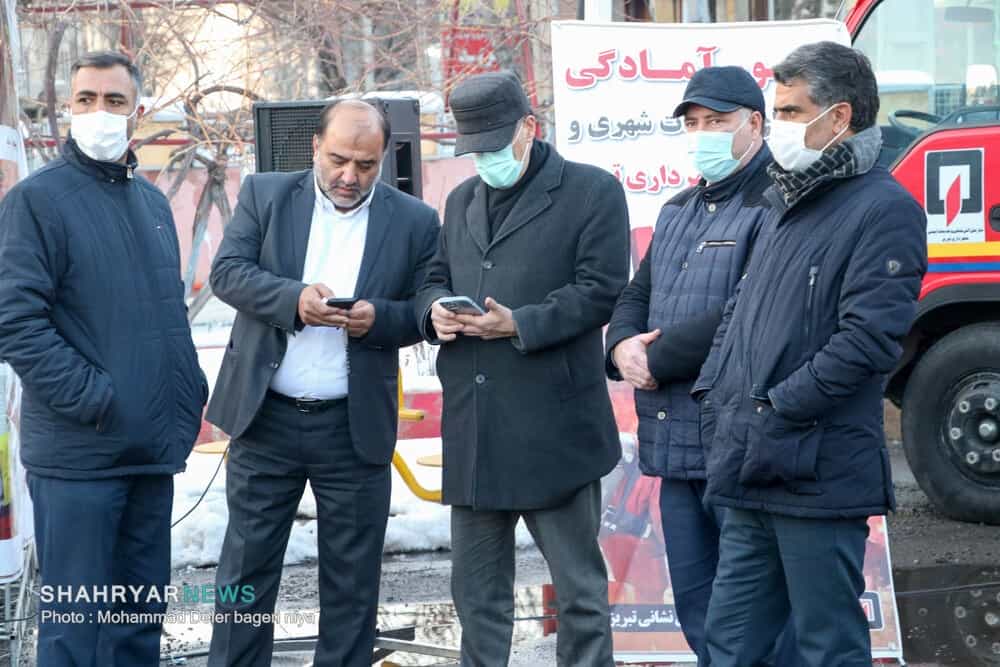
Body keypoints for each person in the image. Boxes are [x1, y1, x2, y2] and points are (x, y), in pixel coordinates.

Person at [692, 42, 927, 667]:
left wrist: (777, 407)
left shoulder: (885, 209)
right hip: (752, 466)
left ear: (839, 117)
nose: (780, 126)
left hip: (817, 471)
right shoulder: (787, 200)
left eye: (792, 111)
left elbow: (869, 340)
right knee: (730, 645)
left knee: (827, 647)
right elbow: (740, 314)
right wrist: (717, 397)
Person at [205, 98, 440, 667]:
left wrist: (378, 318)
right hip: (266, 417)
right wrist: (294, 300)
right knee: (244, 576)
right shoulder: (265, 194)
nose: (349, 176)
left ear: (385, 158)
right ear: (315, 146)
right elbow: (227, 273)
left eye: (366, 164)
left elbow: (424, 308)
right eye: (338, 159)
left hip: (352, 427)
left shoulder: (414, 220)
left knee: (352, 585)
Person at [414, 71, 630, 667]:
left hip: (554, 427)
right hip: (476, 428)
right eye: (473, 149)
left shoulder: (592, 191)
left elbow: (601, 289)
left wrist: (520, 324)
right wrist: (435, 310)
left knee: (579, 592)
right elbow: (434, 276)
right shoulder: (461, 200)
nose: (484, 160)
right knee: (476, 596)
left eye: (493, 145)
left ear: (529, 128)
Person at [0, 51, 208, 665]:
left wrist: (186, 393)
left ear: (137, 112)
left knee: (137, 626)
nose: (99, 111)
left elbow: (163, 315)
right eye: (85, 99)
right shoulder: (36, 201)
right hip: (79, 459)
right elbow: (15, 321)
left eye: (114, 100)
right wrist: (94, 398)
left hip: (148, 453)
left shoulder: (152, 205)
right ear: (69, 107)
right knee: (77, 634)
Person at [606, 65, 795, 666]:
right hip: (673, 446)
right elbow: (637, 293)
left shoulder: (779, 207)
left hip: (737, 447)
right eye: (692, 123)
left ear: (755, 124)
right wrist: (621, 346)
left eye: (716, 121)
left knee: (754, 621)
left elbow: (746, 312)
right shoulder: (678, 209)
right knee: (697, 607)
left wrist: (653, 358)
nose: (701, 134)